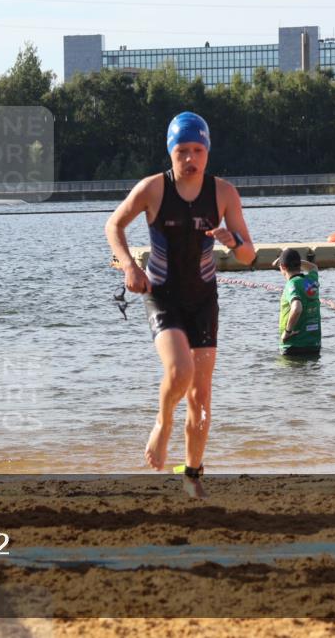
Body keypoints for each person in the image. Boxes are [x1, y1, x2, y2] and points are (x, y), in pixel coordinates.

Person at [105, 111, 255, 497]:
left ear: (207, 152)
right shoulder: (153, 189)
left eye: (198, 150)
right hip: (162, 295)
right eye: (182, 151)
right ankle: (162, 420)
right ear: (170, 152)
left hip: (203, 299)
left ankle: (192, 475)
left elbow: (248, 257)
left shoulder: (223, 193)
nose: (190, 159)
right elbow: (114, 225)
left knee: (201, 397)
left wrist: (232, 241)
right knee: (180, 369)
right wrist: (128, 266)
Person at [272, 249, 321, 357]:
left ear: (283, 267)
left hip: (293, 346)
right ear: (299, 264)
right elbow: (313, 267)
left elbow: (297, 308)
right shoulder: (312, 280)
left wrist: (287, 332)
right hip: (313, 345)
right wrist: (295, 260)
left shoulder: (291, 284)